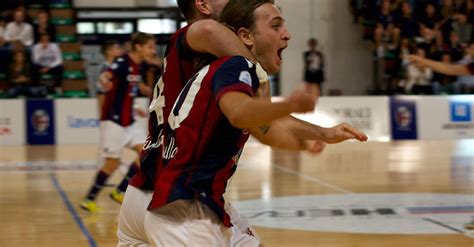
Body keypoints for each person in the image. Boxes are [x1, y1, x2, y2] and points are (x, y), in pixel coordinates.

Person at [117, 0, 367, 246]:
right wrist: (262, 75)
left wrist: (319, 134)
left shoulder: (217, 62)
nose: (287, 35)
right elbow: (243, 111)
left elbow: (262, 120)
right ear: (202, 5)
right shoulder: (224, 56)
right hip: (180, 199)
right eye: (276, 26)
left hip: (158, 189)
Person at [80, 33, 154, 212]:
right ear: (138, 47)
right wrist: (104, 81)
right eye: (149, 47)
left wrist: (137, 103)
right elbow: (105, 75)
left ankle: (119, 191)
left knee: (147, 153)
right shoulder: (122, 62)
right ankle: (89, 198)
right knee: (111, 163)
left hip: (129, 120)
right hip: (114, 121)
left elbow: (130, 89)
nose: (152, 51)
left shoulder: (138, 65)